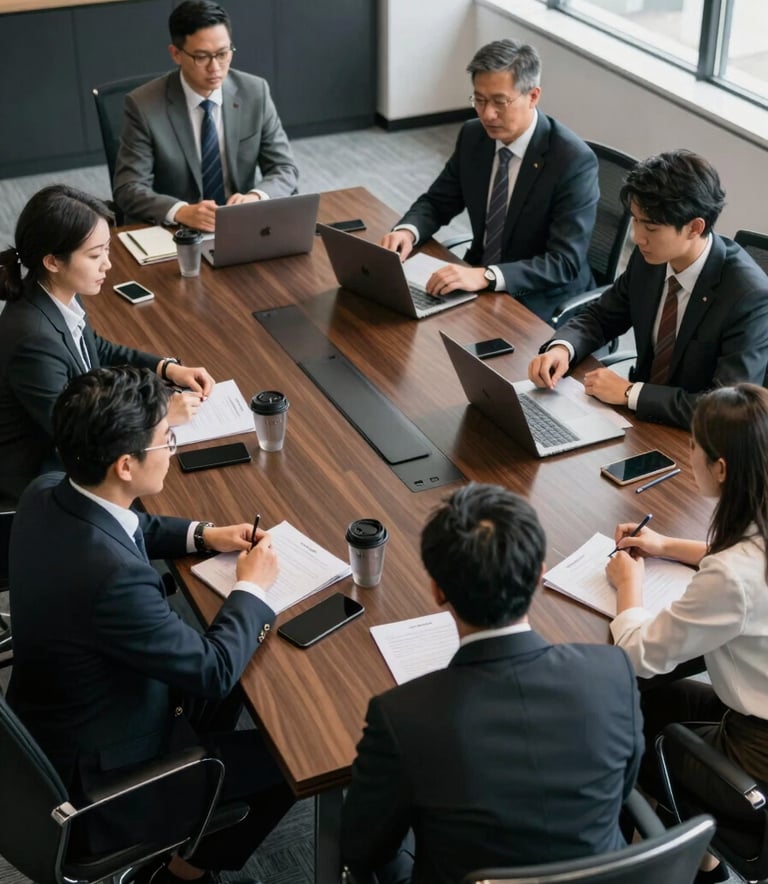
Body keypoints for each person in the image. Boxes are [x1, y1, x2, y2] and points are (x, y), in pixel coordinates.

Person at [7, 365, 294, 883]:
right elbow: (213, 670)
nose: (173, 448)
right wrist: (252, 585)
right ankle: (180, 873)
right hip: (106, 786)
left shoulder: (47, 492)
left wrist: (205, 535)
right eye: (166, 440)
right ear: (124, 465)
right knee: (286, 764)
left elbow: (133, 525)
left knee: (244, 672)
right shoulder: (112, 579)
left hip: (62, 717)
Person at [341, 482, 642, 884]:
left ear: (436, 590)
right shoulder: (613, 673)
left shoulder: (401, 718)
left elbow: (363, 850)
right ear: (539, 577)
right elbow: (619, 795)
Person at [607, 383, 768, 884]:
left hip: (754, 759)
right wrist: (667, 545)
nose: (689, 453)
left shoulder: (732, 578)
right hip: (755, 715)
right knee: (654, 706)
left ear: (720, 469)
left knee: (619, 724)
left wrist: (627, 587)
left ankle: (637, 867)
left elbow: (637, 655)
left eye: (695, 446)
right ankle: (707, 863)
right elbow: (743, 557)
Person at [0, 184, 213, 503]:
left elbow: (97, 350)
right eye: (95, 255)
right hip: (44, 479)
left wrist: (167, 369)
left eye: (107, 250)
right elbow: (78, 436)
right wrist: (161, 414)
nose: (107, 265)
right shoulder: (32, 339)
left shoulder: (56, 294)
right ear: (53, 261)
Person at [528, 150, 768, 429]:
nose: (636, 237)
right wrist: (562, 349)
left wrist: (631, 393)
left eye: (651, 228)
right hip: (637, 422)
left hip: (698, 441)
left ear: (694, 227)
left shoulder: (748, 297)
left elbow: (728, 408)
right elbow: (602, 317)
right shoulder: (650, 259)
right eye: (635, 219)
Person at [380, 39, 599, 322]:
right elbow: (438, 202)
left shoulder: (572, 161)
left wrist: (487, 276)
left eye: (499, 102)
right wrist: (408, 231)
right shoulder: (474, 136)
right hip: (479, 279)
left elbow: (563, 262)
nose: (487, 114)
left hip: (540, 300)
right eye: (479, 100)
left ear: (533, 96)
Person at [113, 0, 298, 231]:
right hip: (177, 230)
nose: (215, 68)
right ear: (176, 54)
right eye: (201, 57)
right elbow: (128, 187)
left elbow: (285, 168)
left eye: (223, 53)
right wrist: (180, 211)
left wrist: (255, 198)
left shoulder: (254, 92)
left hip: (242, 222)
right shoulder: (143, 105)